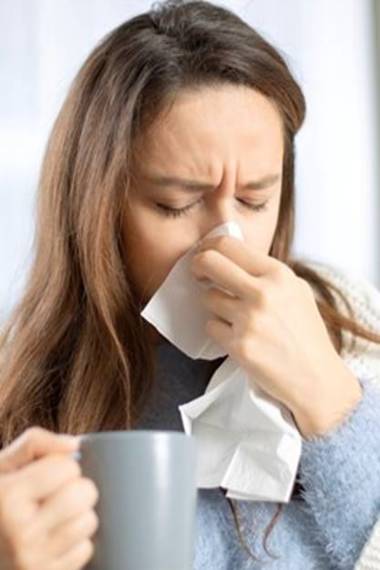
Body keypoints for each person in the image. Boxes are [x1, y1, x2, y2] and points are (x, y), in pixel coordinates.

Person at [0, 0, 380, 568]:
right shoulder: (23, 397)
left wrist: (332, 400)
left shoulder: (356, 324)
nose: (225, 241)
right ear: (98, 209)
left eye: (255, 199)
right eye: (175, 204)